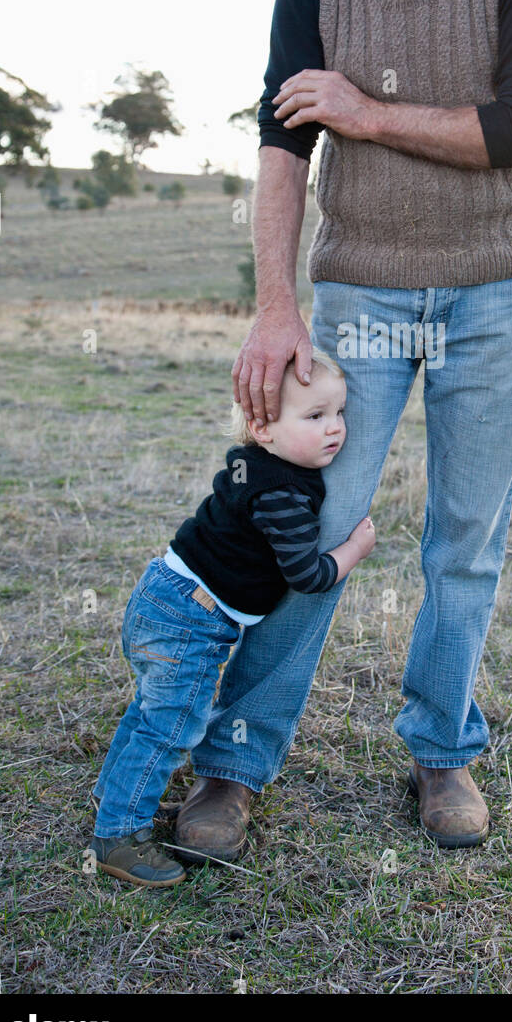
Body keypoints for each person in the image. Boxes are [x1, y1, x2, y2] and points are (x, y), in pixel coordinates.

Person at [175, 0, 512, 860]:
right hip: (358, 294)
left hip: (495, 289)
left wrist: (363, 109)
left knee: (464, 536)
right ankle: (233, 763)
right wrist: (275, 303)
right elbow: (282, 144)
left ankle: (441, 752)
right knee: (316, 515)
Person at [89, 350, 375, 886]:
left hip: (163, 595)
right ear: (262, 428)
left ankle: (116, 791)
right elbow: (306, 574)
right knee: (173, 725)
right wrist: (354, 550)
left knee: (151, 713)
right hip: (191, 621)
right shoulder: (281, 493)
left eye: (339, 413)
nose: (335, 429)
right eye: (314, 417)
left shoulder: (256, 466)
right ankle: (118, 836)